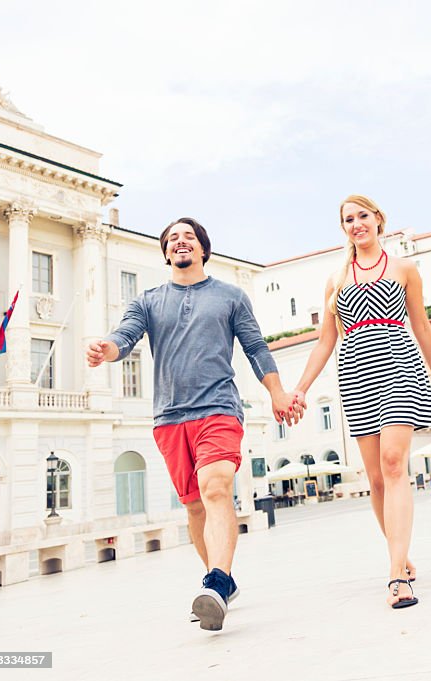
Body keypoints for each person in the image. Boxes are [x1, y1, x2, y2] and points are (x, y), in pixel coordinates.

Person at [86, 217, 302, 631]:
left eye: (188, 237)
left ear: (203, 248)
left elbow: (255, 347)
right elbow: (125, 337)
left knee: (216, 487)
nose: (179, 242)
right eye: (171, 239)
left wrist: (276, 392)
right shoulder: (147, 301)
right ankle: (220, 584)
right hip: (169, 417)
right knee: (194, 505)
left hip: (218, 407)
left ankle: (216, 582)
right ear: (166, 253)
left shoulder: (231, 297)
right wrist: (105, 349)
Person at [292, 195, 431, 609]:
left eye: (363, 216)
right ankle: (402, 555)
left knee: (395, 465)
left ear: (379, 219)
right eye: (348, 219)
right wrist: (302, 388)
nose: (356, 224)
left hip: (400, 363)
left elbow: (422, 324)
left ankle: (397, 576)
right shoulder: (336, 279)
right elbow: (326, 341)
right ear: (343, 228)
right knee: (376, 479)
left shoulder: (404, 269)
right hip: (356, 372)